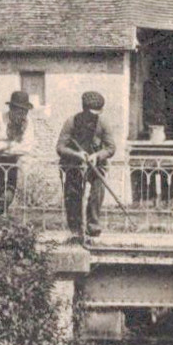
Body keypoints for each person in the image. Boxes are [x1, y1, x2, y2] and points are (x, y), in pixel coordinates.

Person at [57, 91, 116, 239]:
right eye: (90, 114)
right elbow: (60, 147)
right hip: (74, 165)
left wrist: (97, 155)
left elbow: (110, 148)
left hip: (95, 165)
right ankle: (76, 230)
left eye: (96, 114)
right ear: (83, 109)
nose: (93, 118)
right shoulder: (71, 122)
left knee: (98, 189)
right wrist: (77, 155)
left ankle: (93, 225)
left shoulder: (103, 123)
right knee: (73, 194)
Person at [0, 90, 37, 213]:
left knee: (8, 196)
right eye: (19, 110)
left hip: (11, 161)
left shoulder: (28, 122)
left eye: (25, 111)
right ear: (11, 109)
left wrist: (5, 146)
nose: (22, 114)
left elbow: (27, 147)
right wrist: (12, 145)